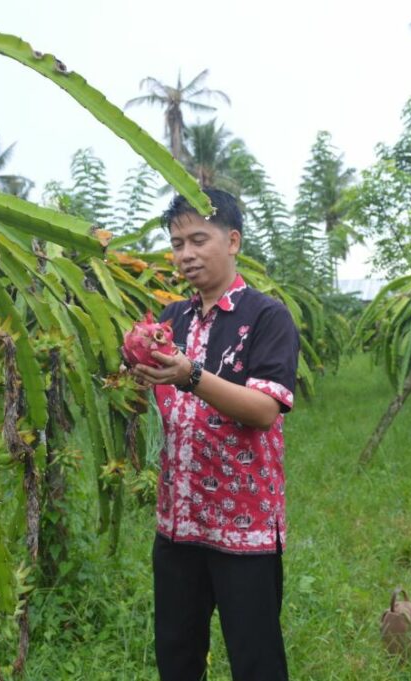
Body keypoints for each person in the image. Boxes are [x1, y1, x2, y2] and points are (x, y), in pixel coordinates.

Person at [131, 188, 299, 681]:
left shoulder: (267, 317)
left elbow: (265, 410)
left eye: (198, 239)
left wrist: (190, 375)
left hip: (243, 527)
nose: (186, 254)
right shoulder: (169, 321)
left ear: (233, 240)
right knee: (177, 657)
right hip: (178, 523)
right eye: (177, 243)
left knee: (256, 660)